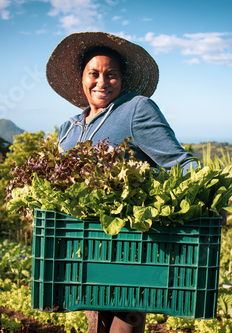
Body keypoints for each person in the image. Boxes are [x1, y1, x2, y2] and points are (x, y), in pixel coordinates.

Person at [46, 31, 198, 333]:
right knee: (95, 322)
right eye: (94, 74)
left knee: (122, 323)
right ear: (81, 78)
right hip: (83, 251)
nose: (102, 83)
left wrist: (206, 195)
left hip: (128, 246)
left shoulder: (135, 109)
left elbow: (177, 162)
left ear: (122, 80)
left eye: (111, 75)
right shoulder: (68, 128)